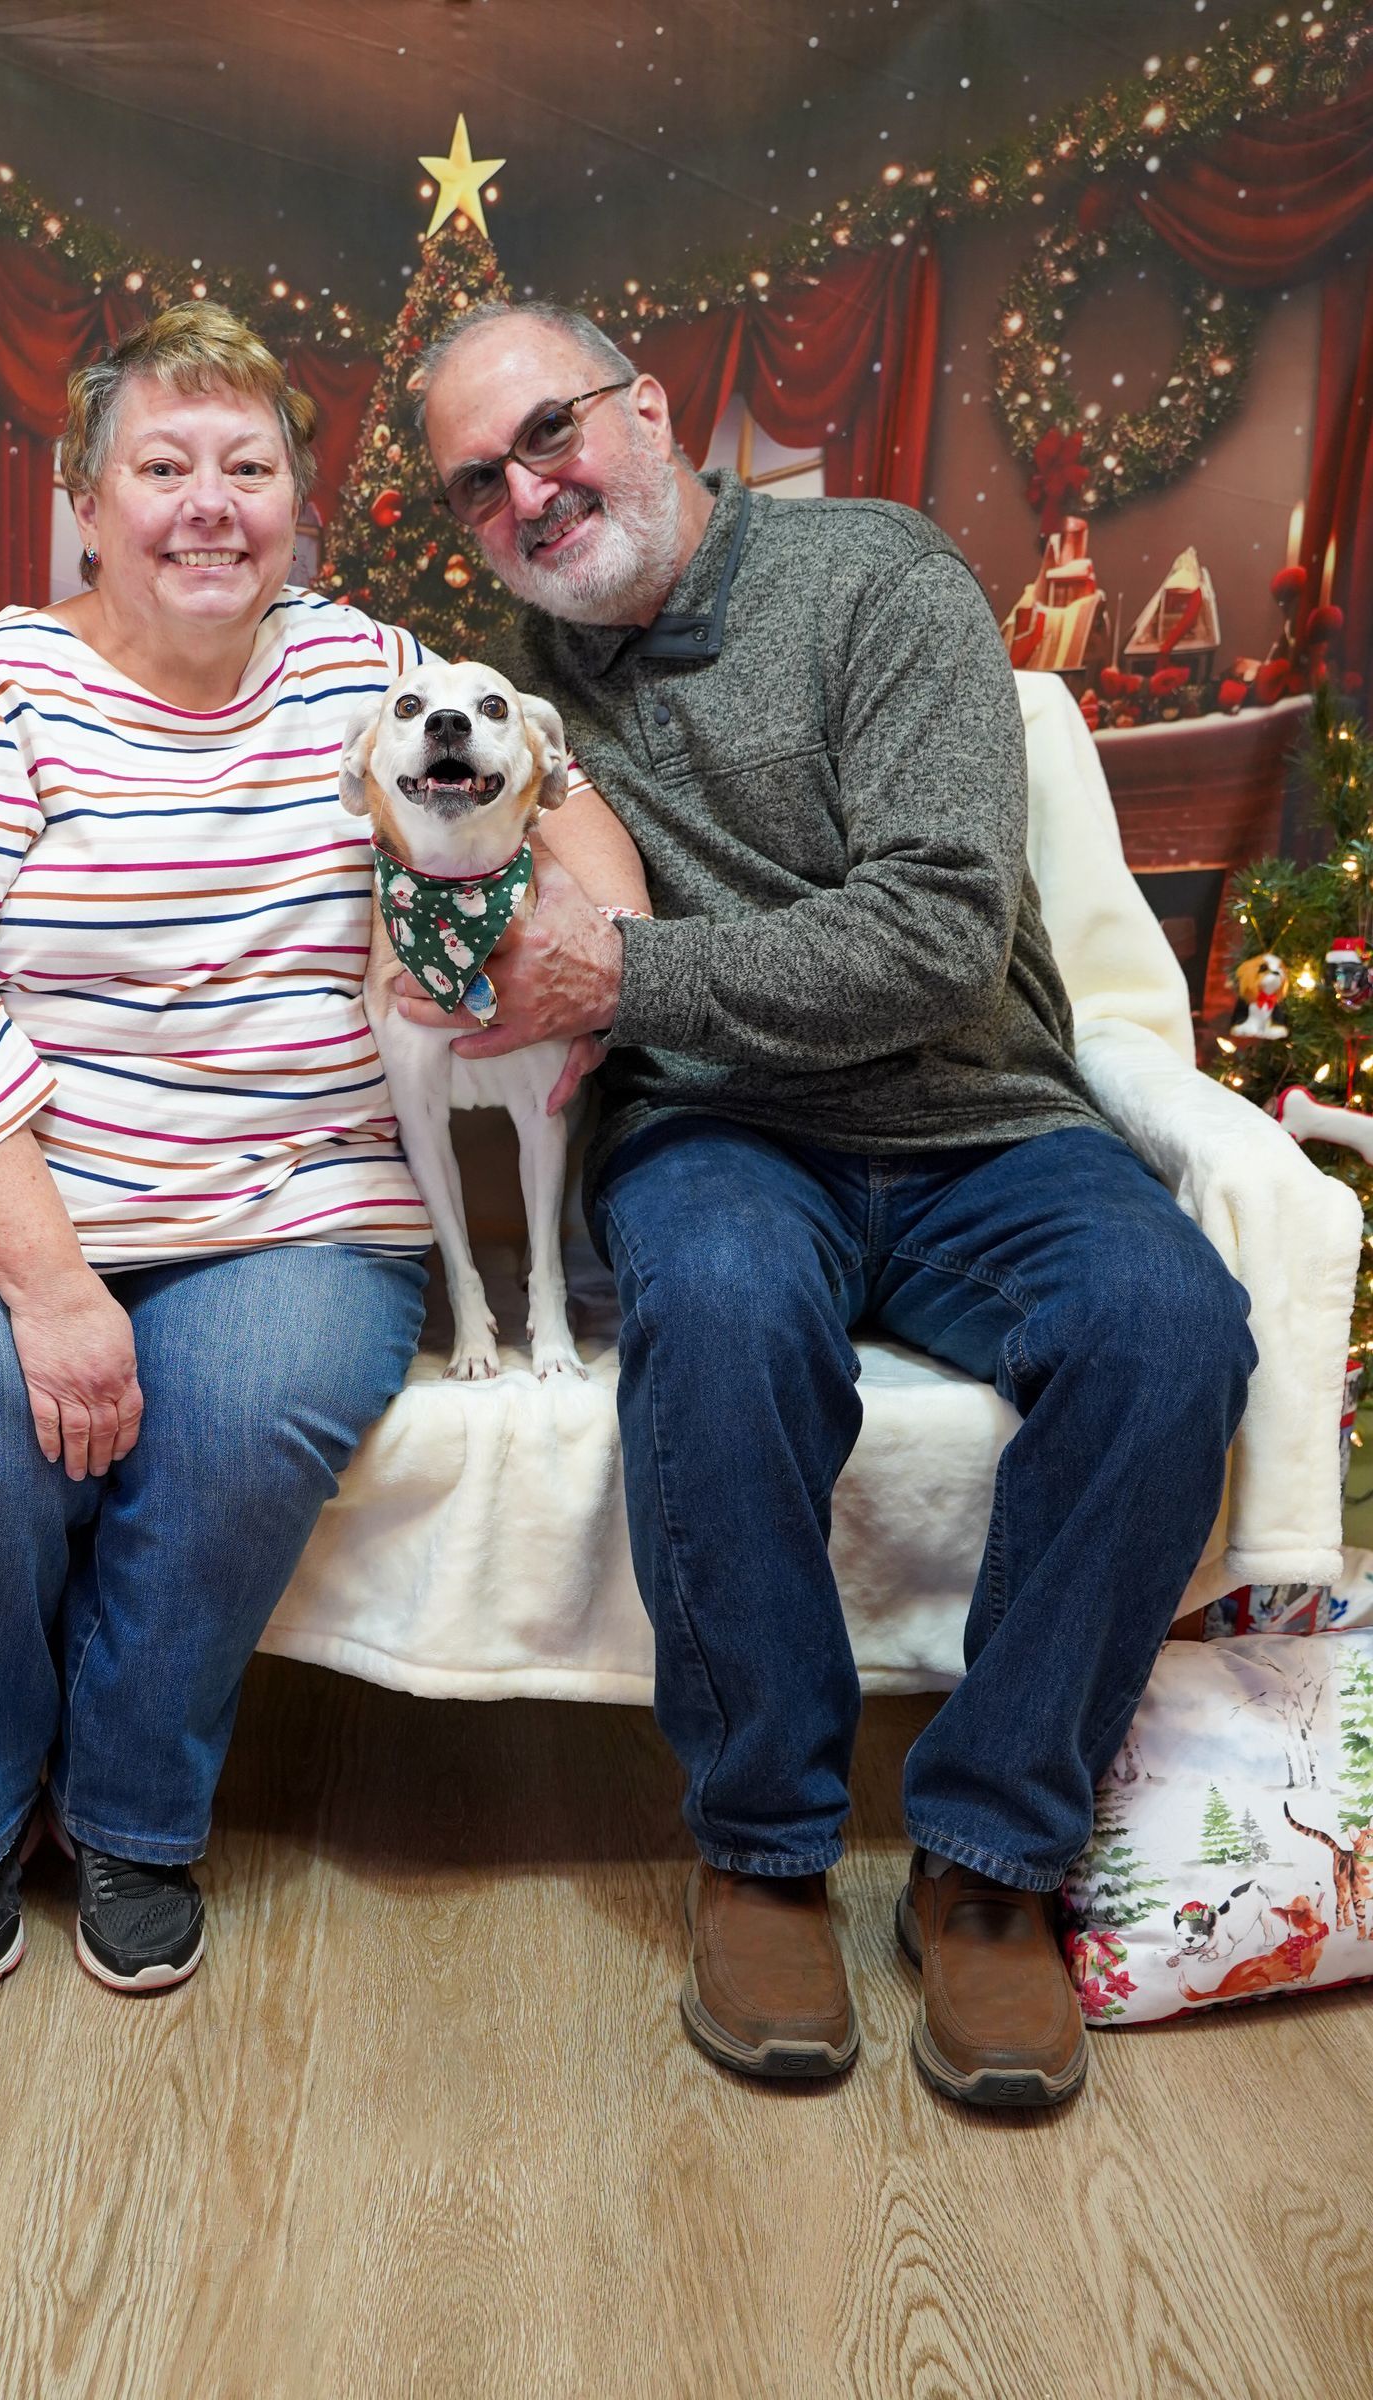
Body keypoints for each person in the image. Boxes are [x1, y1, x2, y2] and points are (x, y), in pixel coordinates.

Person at [412, 301, 1256, 2108]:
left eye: (548, 432)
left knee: (1168, 1324)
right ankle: (764, 1847)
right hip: (720, 1132)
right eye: (477, 485)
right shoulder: (494, 699)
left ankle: (991, 1861)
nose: (528, 494)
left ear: (649, 409)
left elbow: (940, 933)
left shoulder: (881, 578)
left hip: (980, 1116)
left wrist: (628, 973)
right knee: (714, 1308)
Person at [0, 304, 447, 1999]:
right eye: (163, 467)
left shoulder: (365, 670)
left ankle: (135, 1814)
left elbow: (548, 777)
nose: (208, 503)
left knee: (244, 1415)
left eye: (250, 466)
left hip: (283, 1194)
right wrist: (56, 1286)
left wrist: (592, 927)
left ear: (298, 501)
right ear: (87, 506)